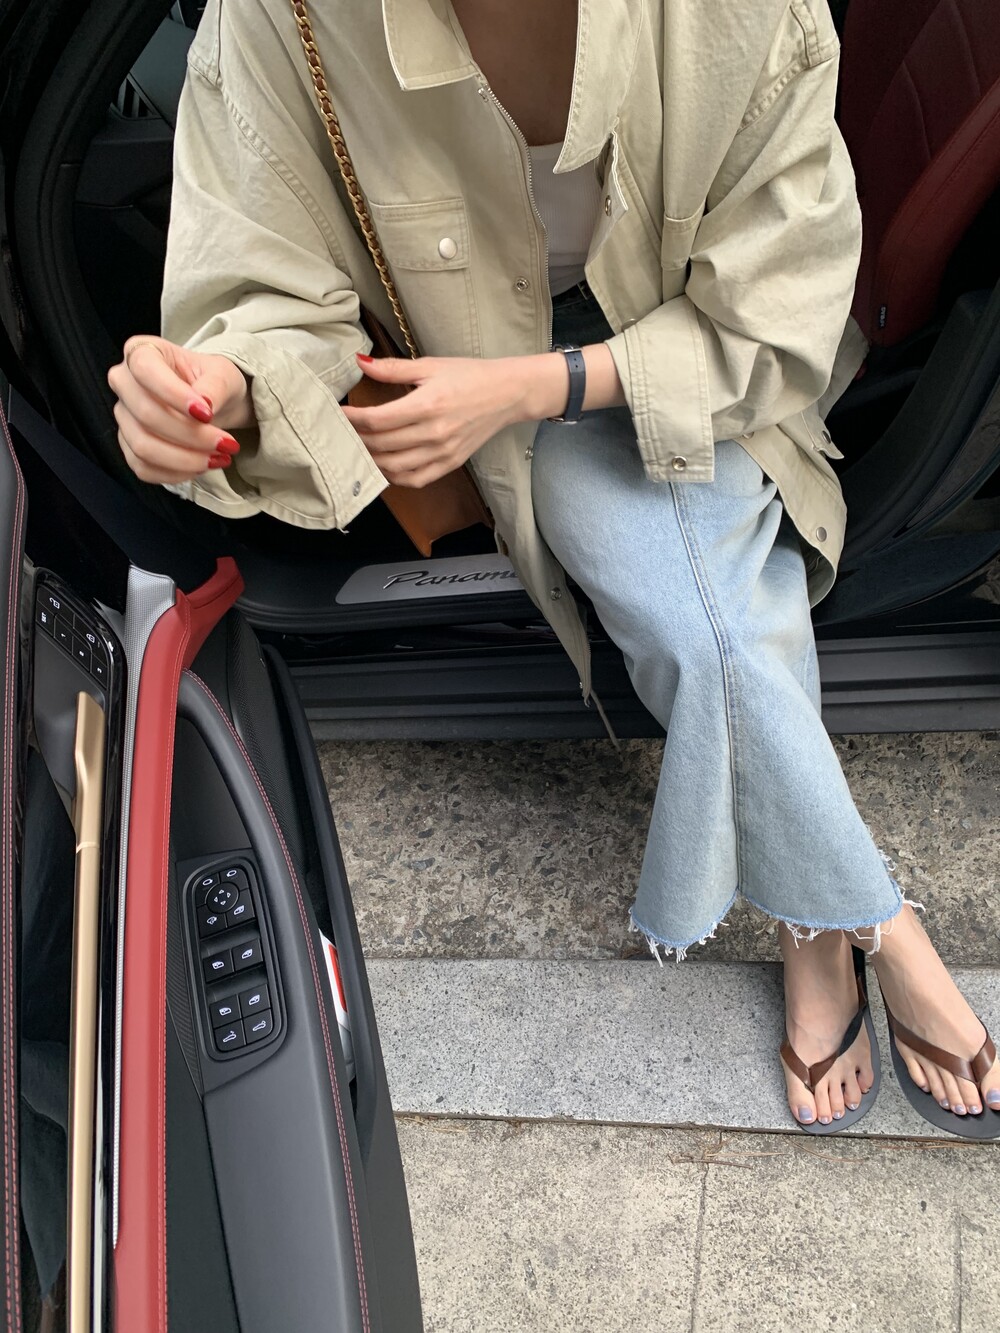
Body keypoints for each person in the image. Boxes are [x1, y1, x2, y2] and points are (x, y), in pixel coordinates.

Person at [108, 0, 999, 1138]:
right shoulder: (285, 19)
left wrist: (533, 387)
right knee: (715, 623)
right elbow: (263, 290)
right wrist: (223, 392)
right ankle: (853, 921)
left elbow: (777, 308)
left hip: (697, 353)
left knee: (709, 632)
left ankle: (848, 922)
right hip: (494, 367)